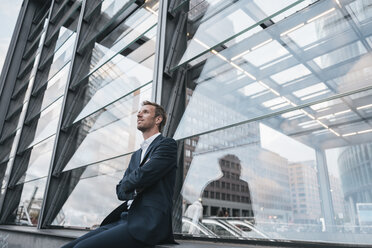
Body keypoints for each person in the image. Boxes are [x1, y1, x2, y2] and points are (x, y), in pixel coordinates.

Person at [62, 101, 178, 248]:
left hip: (147, 222)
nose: (139, 114)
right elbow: (120, 190)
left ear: (158, 119)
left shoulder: (167, 145)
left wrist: (134, 182)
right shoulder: (137, 155)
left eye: (146, 112)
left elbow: (143, 175)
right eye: (139, 112)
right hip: (124, 218)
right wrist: (136, 184)